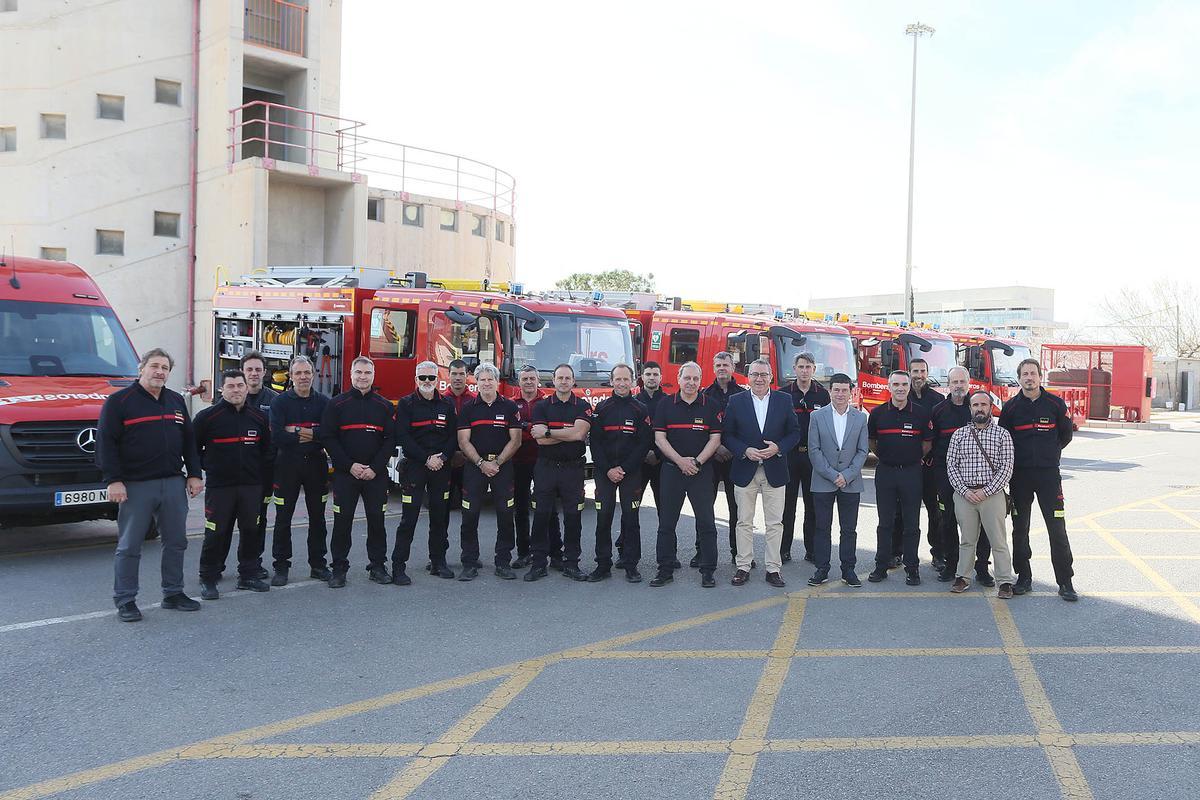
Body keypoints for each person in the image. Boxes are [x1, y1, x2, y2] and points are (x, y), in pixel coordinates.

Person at [97, 348, 204, 622]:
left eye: (165, 368)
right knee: (130, 545)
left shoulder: (176, 401)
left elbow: (189, 441)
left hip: (172, 483)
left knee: (176, 541)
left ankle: (173, 593)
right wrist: (113, 480)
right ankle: (126, 600)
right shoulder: (120, 402)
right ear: (141, 368)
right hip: (135, 485)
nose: (159, 371)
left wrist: (194, 474)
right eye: (154, 366)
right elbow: (106, 444)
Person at [1000, 358, 1078, 601]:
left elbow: (1065, 435)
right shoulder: (1010, 407)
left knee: (1057, 529)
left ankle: (1065, 582)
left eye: (1033, 373)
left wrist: (1049, 455)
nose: (1029, 377)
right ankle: (1023, 577)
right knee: (1019, 529)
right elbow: (1004, 440)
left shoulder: (1055, 404)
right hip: (1020, 476)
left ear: (1039, 376)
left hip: (1048, 477)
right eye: (1025, 374)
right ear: (1019, 378)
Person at [193, 369, 273, 599]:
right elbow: (192, 450)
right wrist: (201, 471)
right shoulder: (207, 418)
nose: (236, 390)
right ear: (222, 389)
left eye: (240, 385)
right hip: (220, 487)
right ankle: (208, 576)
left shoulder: (259, 418)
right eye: (231, 386)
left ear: (247, 388)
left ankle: (247, 575)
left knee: (250, 531)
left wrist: (262, 479)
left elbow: (268, 451)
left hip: (251, 487)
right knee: (216, 533)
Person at [722, 358, 801, 587]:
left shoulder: (784, 400)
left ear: (771, 377)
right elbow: (727, 434)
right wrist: (744, 450)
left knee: (775, 523)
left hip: (774, 469)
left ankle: (773, 569)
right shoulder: (736, 401)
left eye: (764, 375)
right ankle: (743, 566)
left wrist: (779, 448)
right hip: (745, 468)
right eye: (755, 374)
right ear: (748, 377)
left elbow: (794, 432)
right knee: (743, 522)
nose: (759, 378)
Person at [319, 356, 395, 588]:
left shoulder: (384, 406)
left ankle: (378, 567)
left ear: (374, 376)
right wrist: (349, 465)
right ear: (351, 375)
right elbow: (328, 438)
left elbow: (390, 440)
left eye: (367, 373)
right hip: (345, 475)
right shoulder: (336, 404)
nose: (363, 377)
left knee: (377, 522)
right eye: (359, 373)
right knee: (342, 522)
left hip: (375, 476)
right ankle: (339, 569)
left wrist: (375, 468)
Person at [652, 361, 723, 588]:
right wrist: (680, 461)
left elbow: (715, 439)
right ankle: (664, 570)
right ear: (679, 379)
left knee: (707, 523)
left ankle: (708, 570)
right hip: (672, 471)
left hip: (701, 472)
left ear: (700, 381)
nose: (691, 383)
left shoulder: (710, 405)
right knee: (666, 523)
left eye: (695, 379)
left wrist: (697, 462)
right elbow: (659, 438)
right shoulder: (665, 405)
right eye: (687, 378)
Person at [525, 364, 593, 582]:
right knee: (541, 516)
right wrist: (566, 432)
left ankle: (571, 563)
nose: (564, 381)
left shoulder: (582, 405)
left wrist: (549, 431)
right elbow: (540, 439)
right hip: (546, 467)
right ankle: (538, 563)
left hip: (572, 469)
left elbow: (580, 434)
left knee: (573, 517)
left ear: (573, 381)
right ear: (553, 381)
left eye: (568, 378)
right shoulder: (542, 407)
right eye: (560, 378)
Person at [392, 361, 458, 584]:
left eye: (431, 378)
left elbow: (452, 437)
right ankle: (398, 567)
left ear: (437, 379)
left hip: (441, 467)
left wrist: (442, 458)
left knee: (440, 518)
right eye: (423, 378)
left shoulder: (447, 404)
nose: (427, 382)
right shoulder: (406, 404)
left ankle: (438, 562)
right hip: (415, 468)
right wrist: (426, 458)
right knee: (408, 519)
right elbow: (403, 436)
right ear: (416, 380)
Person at [268, 355, 331, 586]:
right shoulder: (280, 403)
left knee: (318, 518)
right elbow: (277, 437)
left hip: (316, 466)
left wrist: (296, 431)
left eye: (307, 373)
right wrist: (311, 435)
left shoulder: (324, 403)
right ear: (291, 376)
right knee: (283, 518)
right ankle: (281, 567)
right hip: (287, 467)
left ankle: (318, 565)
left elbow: (326, 436)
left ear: (313, 375)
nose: (303, 377)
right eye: (298, 373)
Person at [946, 391, 1016, 599]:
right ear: (970, 408)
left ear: (990, 407)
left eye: (983, 404)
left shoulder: (1003, 435)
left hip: (992, 495)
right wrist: (965, 491)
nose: (979, 408)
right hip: (964, 495)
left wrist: (985, 491)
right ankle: (963, 577)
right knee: (967, 539)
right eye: (975, 404)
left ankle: (1004, 581)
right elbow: (951, 466)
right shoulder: (959, 435)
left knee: (998, 540)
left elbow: (1006, 468)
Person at [868, 370, 935, 586]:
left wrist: (911, 458)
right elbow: (872, 443)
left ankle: (912, 568)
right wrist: (888, 457)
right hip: (886, 472)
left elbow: (926, 444)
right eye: (895, 384)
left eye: (904, 385)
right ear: (889, 387)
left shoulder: (921, 413)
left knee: (911, 523)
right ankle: (881, 566)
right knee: (885, 523)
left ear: (909, 387)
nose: (900, 388)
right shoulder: (878, 414)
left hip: (911, 473)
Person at [456, 363, 522, 581]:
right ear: (476, 382)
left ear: (497, 381)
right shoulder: (468, 408)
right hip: (475, 468)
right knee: (470, 515)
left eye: (490, 379)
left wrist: (498, 462)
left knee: (505, 514)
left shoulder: (510, 407)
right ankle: (469, 561)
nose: (486, 383)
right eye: (482, 380)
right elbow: (463, 441)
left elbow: (516, 440)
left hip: (502, 467)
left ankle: (502, 562)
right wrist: (481, 463)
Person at [589, 363, 652, 583]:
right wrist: (607, 469)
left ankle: (630, 564)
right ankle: (603, 564)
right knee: (603, 517)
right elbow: (595, 442)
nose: (622, 383)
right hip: (605, 473)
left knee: (631, 518)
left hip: (630, 472)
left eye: (626, 379)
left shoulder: (640, 409)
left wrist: (624, 469)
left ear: (633, 381)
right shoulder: (602, 408)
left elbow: (643, 445)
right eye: (618, 379)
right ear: (612, 381)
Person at [929, 366, 992, 584]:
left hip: (975, 475)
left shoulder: (976, 407)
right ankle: (951, 565)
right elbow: (933, 442)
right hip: (946, 476)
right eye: (954, 382)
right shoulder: (938, 411)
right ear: (949, 384)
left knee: (982, 522)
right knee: (948, 520)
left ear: (968, 383)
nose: (958, 386)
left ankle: (982, 568)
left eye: (962, 382)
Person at [806, 373, 869, 587]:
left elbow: (863, 451)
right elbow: (814, 451)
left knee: (849, 529)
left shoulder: (860, 418)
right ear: (830, 391)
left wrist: (847, 475)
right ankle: (821, 569)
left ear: (850, 392)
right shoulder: (817, 417)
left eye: (844, 390)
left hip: (850, 482)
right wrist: (834, 476)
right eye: (836, 389)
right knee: (822, 527)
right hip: (824, 481)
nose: (840, 394)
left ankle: (848, 570)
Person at [890, 357, 943, 569]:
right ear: (909, 374)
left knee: (935, 512)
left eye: (922, 371)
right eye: (915, 371)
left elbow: (936, 434)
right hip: (907, 467)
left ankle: (938, 553)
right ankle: (896, 552)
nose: (918, 375)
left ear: (927, 373)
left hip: (931, 467)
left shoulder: (938, 400)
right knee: (901, 512)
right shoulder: (901, 396)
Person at [780, 352, 831, 564]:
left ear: (814, 370)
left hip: (813, 458)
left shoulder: (822, 395)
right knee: (786, 507)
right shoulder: (783, 394)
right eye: (801, 367)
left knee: (813, 507)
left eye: (808, 367)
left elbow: (827, 426)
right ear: (795, 368)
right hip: (789, 457)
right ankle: (783, 550)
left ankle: (811, 550)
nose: (804, 371)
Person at [512, 365, 560, 570]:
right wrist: (534, 430)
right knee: (520, 509)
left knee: (548, 509)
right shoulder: (511, 404)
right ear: (519, 381)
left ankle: (556, 553)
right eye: (525, 379)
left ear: (538, 380)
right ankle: (524, 552)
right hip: (519, 461)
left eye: (532, 378)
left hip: (544, 461)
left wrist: (526, 428)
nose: (529, 382)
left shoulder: (548, 403)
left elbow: (551, 430)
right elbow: (512, 432)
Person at [701, 351, 746, 566]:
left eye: (725, 364)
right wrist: (716, 448)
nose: (722, 368)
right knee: (705, 508)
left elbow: (746, 428)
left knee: (737, 510)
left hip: (735, 460)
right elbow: (701, 427)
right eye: (718, 364)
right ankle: (701, 551)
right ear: (713, 367)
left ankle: (739, 553)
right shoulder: (704, 394)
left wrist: (731, 448)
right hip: (710, 459)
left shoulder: (743, 395)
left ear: (732, 367)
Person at [239, 351, 279, 580]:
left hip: (262, 474)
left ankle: (254, 561)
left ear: (264, 373)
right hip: (233, 474)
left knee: (258, 519)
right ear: (243, 372)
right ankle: (217, 564)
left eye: (258, 369)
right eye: (249, 369)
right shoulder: (230, 397)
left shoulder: (274, 400)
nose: (253, 374)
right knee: (224, 522)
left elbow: (276, 439)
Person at [445, 359, 473, 515]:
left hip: (469, 460)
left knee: (470, 509)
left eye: (461, 374)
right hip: (446, 460)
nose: (457, 378)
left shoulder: (476, 400)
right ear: (448, 375)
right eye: (454, 374)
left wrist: (467, 454)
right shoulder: (440, 400)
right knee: (442, 509)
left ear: (467, 375)